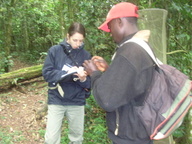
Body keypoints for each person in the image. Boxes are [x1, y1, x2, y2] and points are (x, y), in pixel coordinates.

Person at [83, 2, 154, 144]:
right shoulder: (141, 47)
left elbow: (107, 101)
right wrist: (110, 70)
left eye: (110, 27)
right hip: (140, 132)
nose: (110, 33)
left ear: (119, 21)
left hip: (130, 137)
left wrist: (94, 73)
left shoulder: (129, 51)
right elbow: (131, 85)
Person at [42, 22, 91, 144]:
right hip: (57, 99)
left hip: (76, 101)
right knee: (51, 139)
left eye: (81, 41)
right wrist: (66, 73)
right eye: (75, 40)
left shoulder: (86, 55)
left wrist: (83, 78)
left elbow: (89, 84)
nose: (78, 44)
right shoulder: (55, 51)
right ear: (67, 36)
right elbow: (47, 74)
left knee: (76, 138)